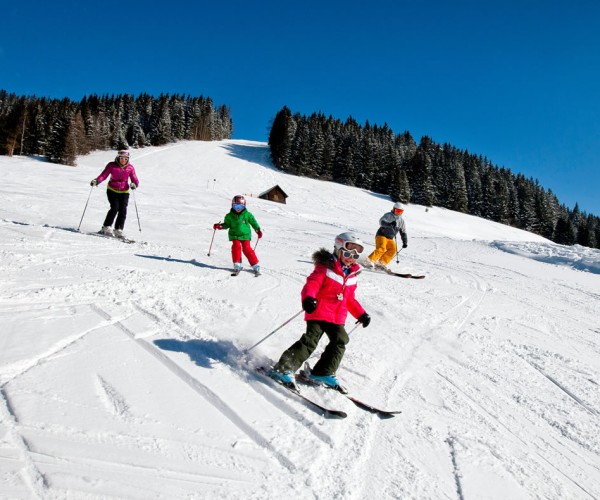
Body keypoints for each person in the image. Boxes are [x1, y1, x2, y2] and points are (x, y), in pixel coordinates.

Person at [269, 232, 371, 393]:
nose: (350, 258)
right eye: (346, 253)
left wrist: (361, 314)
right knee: (310, 340)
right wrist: (308, 298)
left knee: (341, 340)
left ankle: (322, 372)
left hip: (337, 317)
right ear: (338, 250)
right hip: (318, 311)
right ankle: (283, 368)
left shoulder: (352, 276)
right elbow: (312, 284)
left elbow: (350, 299)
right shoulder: (325, 268)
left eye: (354, 256)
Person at [90, 150, 139, 239]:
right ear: (118, 158)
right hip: (112, 190)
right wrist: (96, 181)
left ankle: (118, 229)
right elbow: (104, 175)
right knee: (115, 207)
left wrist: (134, 184)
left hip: (124, 192)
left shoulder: (130, 168)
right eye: (121, 158)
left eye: (125, 159)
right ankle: (106, 227)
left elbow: (135, 179)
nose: (123, 160)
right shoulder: (111, 165)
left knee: (123, 210)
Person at [213, 195, 262, 275]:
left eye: (240, 206)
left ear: (244, 206)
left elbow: (253, 222)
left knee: (247, 248)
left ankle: (255, 265)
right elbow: (227, 224)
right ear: (232, 205)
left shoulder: (247, 214)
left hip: (245, 235)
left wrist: (258, 230)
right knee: (236, 246)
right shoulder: (229, 216)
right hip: (235, 235)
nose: (238, 208)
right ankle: (237, 264)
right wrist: (220, 226)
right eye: (236, 206)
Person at [365, 202, 408, 270]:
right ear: (394, 209)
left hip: (390, 238)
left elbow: (403, 232)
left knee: (393, 249)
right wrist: (389, 224)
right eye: (397, 211)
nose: (398, 213)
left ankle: (381, 262)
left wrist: (405, 241)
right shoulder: (388, 215)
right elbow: (381, 222)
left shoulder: (401, 221)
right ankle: (369, 260)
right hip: (381, 235)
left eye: (400, 211)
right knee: (382, 248)